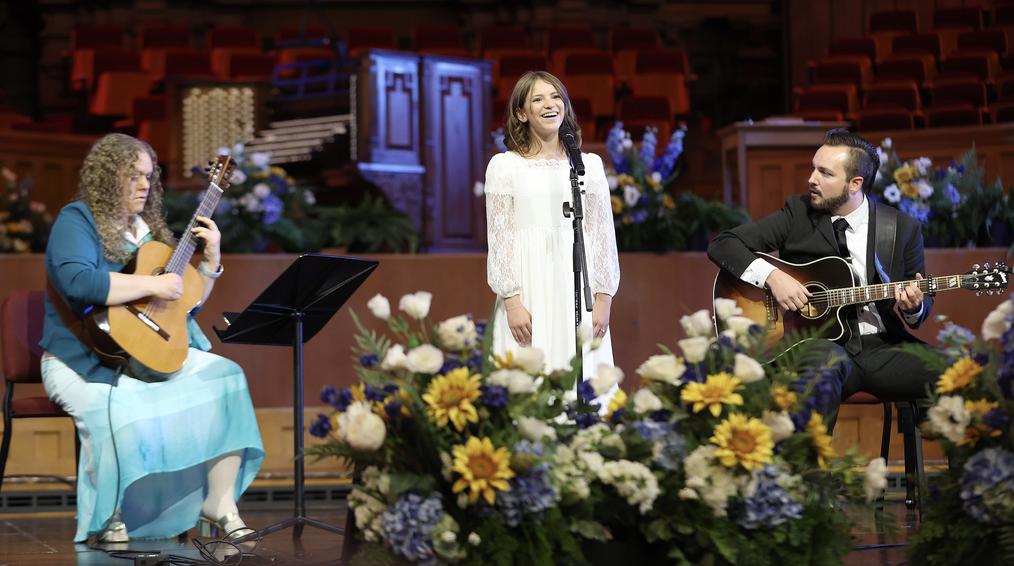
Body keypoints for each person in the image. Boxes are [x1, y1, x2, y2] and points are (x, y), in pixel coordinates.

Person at [40, 133, 264, 543]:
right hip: (82, 356)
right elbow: (77, 283)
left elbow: (180, 307)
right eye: (133, 177)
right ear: (107, 179)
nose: (144, 185)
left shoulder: (151, 232)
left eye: (148, 176)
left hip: (145, 354)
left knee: (227, 375)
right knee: (119, 406)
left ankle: (220, 502)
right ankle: (113, 513)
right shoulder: (78, 220)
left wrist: (211, 262)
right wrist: (150, 284)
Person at [707, 128, 935, 429]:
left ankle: (967, 473)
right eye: (814, 167)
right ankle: (812, 473)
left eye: (825, 173)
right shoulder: (798, 214)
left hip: (883, 349)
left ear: (856, 183)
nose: (812, 179)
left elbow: (921, 303)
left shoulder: (903, 228)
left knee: (962, 371)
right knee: (823, 365)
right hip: (819, 347)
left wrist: (913, 307)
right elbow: (723, 244)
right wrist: (773, 277)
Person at [484, 71, 620, 380]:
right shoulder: (505, 167)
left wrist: (604, 296)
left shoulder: (588, 165)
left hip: (578, 285)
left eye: (556, 96)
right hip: (529, 286)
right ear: (522, 113)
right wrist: (512, 300)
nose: (550, 104)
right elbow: (500, 236)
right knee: (530, 379)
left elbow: (601, 234)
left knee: (584, 377)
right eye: (538, 99)